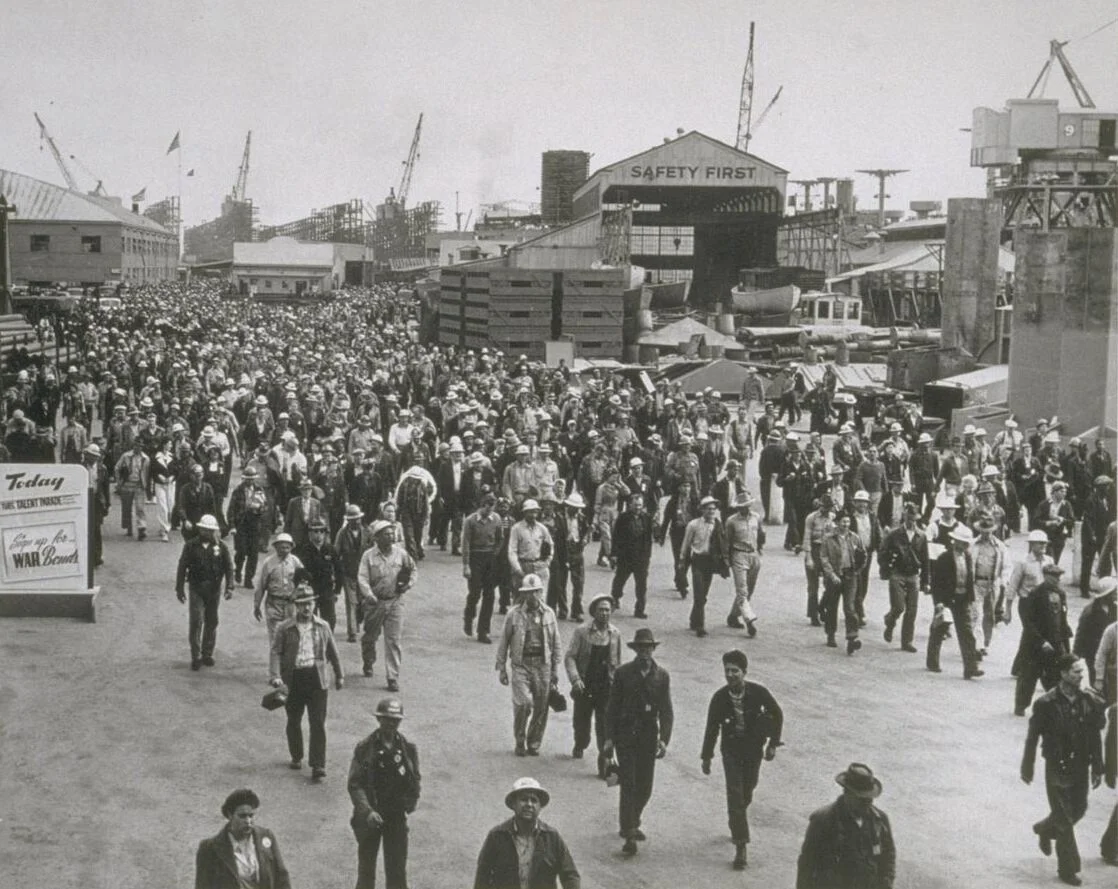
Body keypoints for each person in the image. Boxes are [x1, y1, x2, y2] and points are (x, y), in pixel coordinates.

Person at [1020, 654, 1105, 887]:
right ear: (1064, 674)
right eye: (1076, 671)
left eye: (1081, 671)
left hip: (1080, 765)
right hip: (1056, 766)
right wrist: (1028, 766)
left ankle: (1045, 829)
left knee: (1079, 808)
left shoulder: (1088, 701)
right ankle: (1068, 868)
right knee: (1065, 820)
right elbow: (1032, 736)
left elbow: (1095, 736)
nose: (1081, 675)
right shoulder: (1046, 703)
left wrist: (1098, 767)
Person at [700, 649, 783, 870]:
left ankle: (736, 818)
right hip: (731, 751)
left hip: (753, 750)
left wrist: (773, 744)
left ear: (744, 672)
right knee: (735, 795)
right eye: (727, 671)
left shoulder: (758, 693)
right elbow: (711, 728)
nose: (730, 675)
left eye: (735, 671)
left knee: (747, 790)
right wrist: (707, 757)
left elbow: (777, 713)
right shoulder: (719, 698)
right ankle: (741, 844)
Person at [605, 627, 674, 856]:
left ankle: (633, 820)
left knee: (645, 786)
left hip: (648, 736)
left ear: (653, 649)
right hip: (625, 735)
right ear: (635, 650)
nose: (644, 651)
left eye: (648, 647)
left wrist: (664, 740)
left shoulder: (661, 676)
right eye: (641, 647)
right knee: (629, 784)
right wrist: (608, 738)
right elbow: (612, 707)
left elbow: (666, 711)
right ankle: (629, 833)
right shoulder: (623, 673)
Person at [269, 585, 344, 779]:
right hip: (293, 678)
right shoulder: (285, 628)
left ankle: (318, 764)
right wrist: (275, 675)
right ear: (296, 606)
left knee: (317, 722)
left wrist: (339, 674)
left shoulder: (323, 626)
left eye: (309, 603)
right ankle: (296, 755)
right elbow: (276, 652)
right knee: (294, 719)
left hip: (317, 678)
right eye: (302, 604)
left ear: (314, 604)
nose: (307, 608)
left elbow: (333, 651)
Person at [347, 698, 421, 889]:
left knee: (397, 870)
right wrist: (367, 811)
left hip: (396, 816)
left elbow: (415, 777)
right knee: (366, 871)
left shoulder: (407, 748)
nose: (391, 724)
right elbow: (355, 784)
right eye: (387, 719)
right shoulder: (365, 748)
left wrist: (411, 800)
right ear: (379, 719)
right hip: (371, 816)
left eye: (395, 720)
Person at [796, 763, 896, 889]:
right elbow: (807, 864)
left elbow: (888, 855)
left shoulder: (879, 820)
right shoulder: (823, 820)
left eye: (870, 799)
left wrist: (886, 882)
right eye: (862, 799)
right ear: (847, 793)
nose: (867, 804)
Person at [496, 573, 562, 757]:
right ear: (523, 594)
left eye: (535, 592)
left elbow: (556, 641)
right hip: (521, 664)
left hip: (543, 664)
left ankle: (534, 742)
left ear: (541, 592)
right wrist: (501, 668)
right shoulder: (514, 614)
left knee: (541, 706)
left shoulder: (549, 614)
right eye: (528, 592)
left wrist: (555, 669)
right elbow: (504, 641)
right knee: (523, 704)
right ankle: (519, 739)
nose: (532, 596)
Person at [473, 777, 580, 889]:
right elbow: (482, 877)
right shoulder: (497, 836)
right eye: (523, 799)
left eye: (534, 800)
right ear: (513, 804)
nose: (529, 804)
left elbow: (570, 875)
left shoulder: (552, 837)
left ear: (540, 807)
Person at [564, 594, 622, 778]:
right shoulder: (582, 632)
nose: (605, 613)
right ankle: (580, 743)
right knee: (581, 723)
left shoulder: (615, 634)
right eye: (601, 610)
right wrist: (575, 679)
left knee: (604, 725)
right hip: (585, 686)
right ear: (594, 612)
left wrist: (618, 687)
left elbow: (617, 663)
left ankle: (604, 763)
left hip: (605, 687)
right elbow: (570, 657)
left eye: (607, 610)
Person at [357, 520, 416, 691]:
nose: (391, 536)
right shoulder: (368, 556)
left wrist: (408, 585)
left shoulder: (401, 554)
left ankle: (392, 677)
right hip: (375, 602)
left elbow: (413, 570)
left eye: (392, 533)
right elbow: (362, 577)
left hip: (395, 601)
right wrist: (368, 594)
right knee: (370, 636)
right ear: (377, 538)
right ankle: (368, 661)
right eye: (386, 534)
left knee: (393, 640)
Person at [194, 788, 291, 889]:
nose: (248, 821)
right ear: (230, 815)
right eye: (242, 816)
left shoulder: (266, 837)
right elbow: (202, 886)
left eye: (251, 815)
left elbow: (282, 877)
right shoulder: (210, 848)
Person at [175, 514, 234, 671]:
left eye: (210, 530)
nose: (207, 533)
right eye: (204, 529)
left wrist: (229, 587)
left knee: (212, 621)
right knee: (196, 620)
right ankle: (196, 656)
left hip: (214, 589)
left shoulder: (221, 547)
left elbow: (228, 567)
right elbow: (182, 566)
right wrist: (179, 588)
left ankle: (207, 652)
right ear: (200, 529)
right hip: (197, 588)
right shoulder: (191, 546)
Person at [1014, 564, 1074, 716]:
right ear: (1046, 576)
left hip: (1055, 643)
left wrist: (1065, 643)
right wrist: (1041, 641)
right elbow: (1028, 622)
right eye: (1054, 576)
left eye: (1059, 576)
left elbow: (1062, 620)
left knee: (1055, 676)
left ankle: (1055, 708)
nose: (1057, 579)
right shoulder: (1035, 594)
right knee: (1029, 676)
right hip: (1036, 644)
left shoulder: (1061, 594)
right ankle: (1021, 705)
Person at [926, 525, 983, 679]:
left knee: (967, 633)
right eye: (962, 542)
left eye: (966, 543)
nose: (964, 546)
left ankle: (970, 668)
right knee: (939, 629)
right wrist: (938, 602)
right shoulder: (944, 558)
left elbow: (969, 580)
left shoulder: (968, 557)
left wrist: (970, 599)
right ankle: (932, 662)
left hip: (962, 599)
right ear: (955, 541)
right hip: (945, 599)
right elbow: (936, 582)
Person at [878, 502, 928, 653]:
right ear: (904, 517)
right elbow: (882, 552)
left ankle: (907, 641)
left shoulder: (921, 536)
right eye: (908, 518)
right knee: (899, 606)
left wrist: (926, 580)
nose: (911, 521)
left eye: (914, 518)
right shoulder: (894, 534)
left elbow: (925, 560)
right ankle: (890, 621)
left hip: (913, 574)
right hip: (897, 573)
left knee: (912, 610)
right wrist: (887, 568)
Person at [680, 496, 729, 637]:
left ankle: (693, 619)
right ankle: (700, 626)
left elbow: (722, 544)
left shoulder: (718, 525)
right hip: (697, 561)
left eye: (713, 509)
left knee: (703, 595)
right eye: (708, 509)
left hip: (710, 562)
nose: (711, 511)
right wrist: (682, 561)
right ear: (702, 510)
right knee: (699, 594)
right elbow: (686, 544)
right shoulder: (693, 525)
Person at [819, 514, 866, 654]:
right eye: (843, 521)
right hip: (834, 577)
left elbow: (863, 555)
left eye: (848, 521)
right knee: (832, 606)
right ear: (837, 523)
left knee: (850, 607)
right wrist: (831, 574)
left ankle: (852, 637)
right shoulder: (828, 539)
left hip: (850, 576)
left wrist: (857, 570)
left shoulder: (855, 537)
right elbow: (824, 558)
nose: (846, 524)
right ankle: (830, 634)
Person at [461, 491, 505, 644]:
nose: (489, 511)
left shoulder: (496, 519)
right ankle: (469, 616)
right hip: (475, 557)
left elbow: (500, 539)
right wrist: (466, 565)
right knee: (474, 593)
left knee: (489, 595)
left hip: (489, 558)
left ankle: (483, 631)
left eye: (492, 508)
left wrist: (495, 554)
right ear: (482, 506)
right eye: (487, 507)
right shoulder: (470, 521)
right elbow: (465, 543)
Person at [253, 533, 304, 648]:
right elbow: (261, 585)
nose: (285, 550)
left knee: (291, 637)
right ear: (276, 547)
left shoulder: (295, 562)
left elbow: (304, 580)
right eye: (282, 547)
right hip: (274, 604)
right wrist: (257, 605)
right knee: (276, 638)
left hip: (291, 605)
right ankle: (276, 659)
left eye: (287, 547)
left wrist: (297, 593)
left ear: (291, 548)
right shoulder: (269, 563)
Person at [725, 491, 765, 635]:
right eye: (742, 506)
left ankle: (733, 616)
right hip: (739, 554)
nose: (745, 509)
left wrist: (759, 548)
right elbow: (727, 541)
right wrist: (727, 559)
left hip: (753, 555)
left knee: (750, 589)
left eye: (747, 505)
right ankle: (749, 620)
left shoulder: (756, 517)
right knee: (742, 590)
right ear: (738, 507)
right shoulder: (731, 521)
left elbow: (761, 533)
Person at [611, 492, 654, 618]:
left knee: (641, 585)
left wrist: (648, 555)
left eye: (640, 505)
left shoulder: (647, 518)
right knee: (619, 580)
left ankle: (639, 609)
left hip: (641, 557)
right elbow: (616, 536)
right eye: (635, 505)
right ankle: (615, 597)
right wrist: (614, 554)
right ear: (630, 505)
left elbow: (649, 538)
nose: (638, 508)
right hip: (625, 556)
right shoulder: (623, 518)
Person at [296, 518, 340, 630]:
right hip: (310, 590)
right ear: (310, 533)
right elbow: (298, 571)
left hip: (327, 589)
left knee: (330, 620)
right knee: (310, 619)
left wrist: (337, 590)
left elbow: (339, 570)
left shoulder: (330, 549)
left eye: (322, 531)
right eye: (315, 531)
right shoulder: (304, 550)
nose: (319, 534)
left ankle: (327, 640)